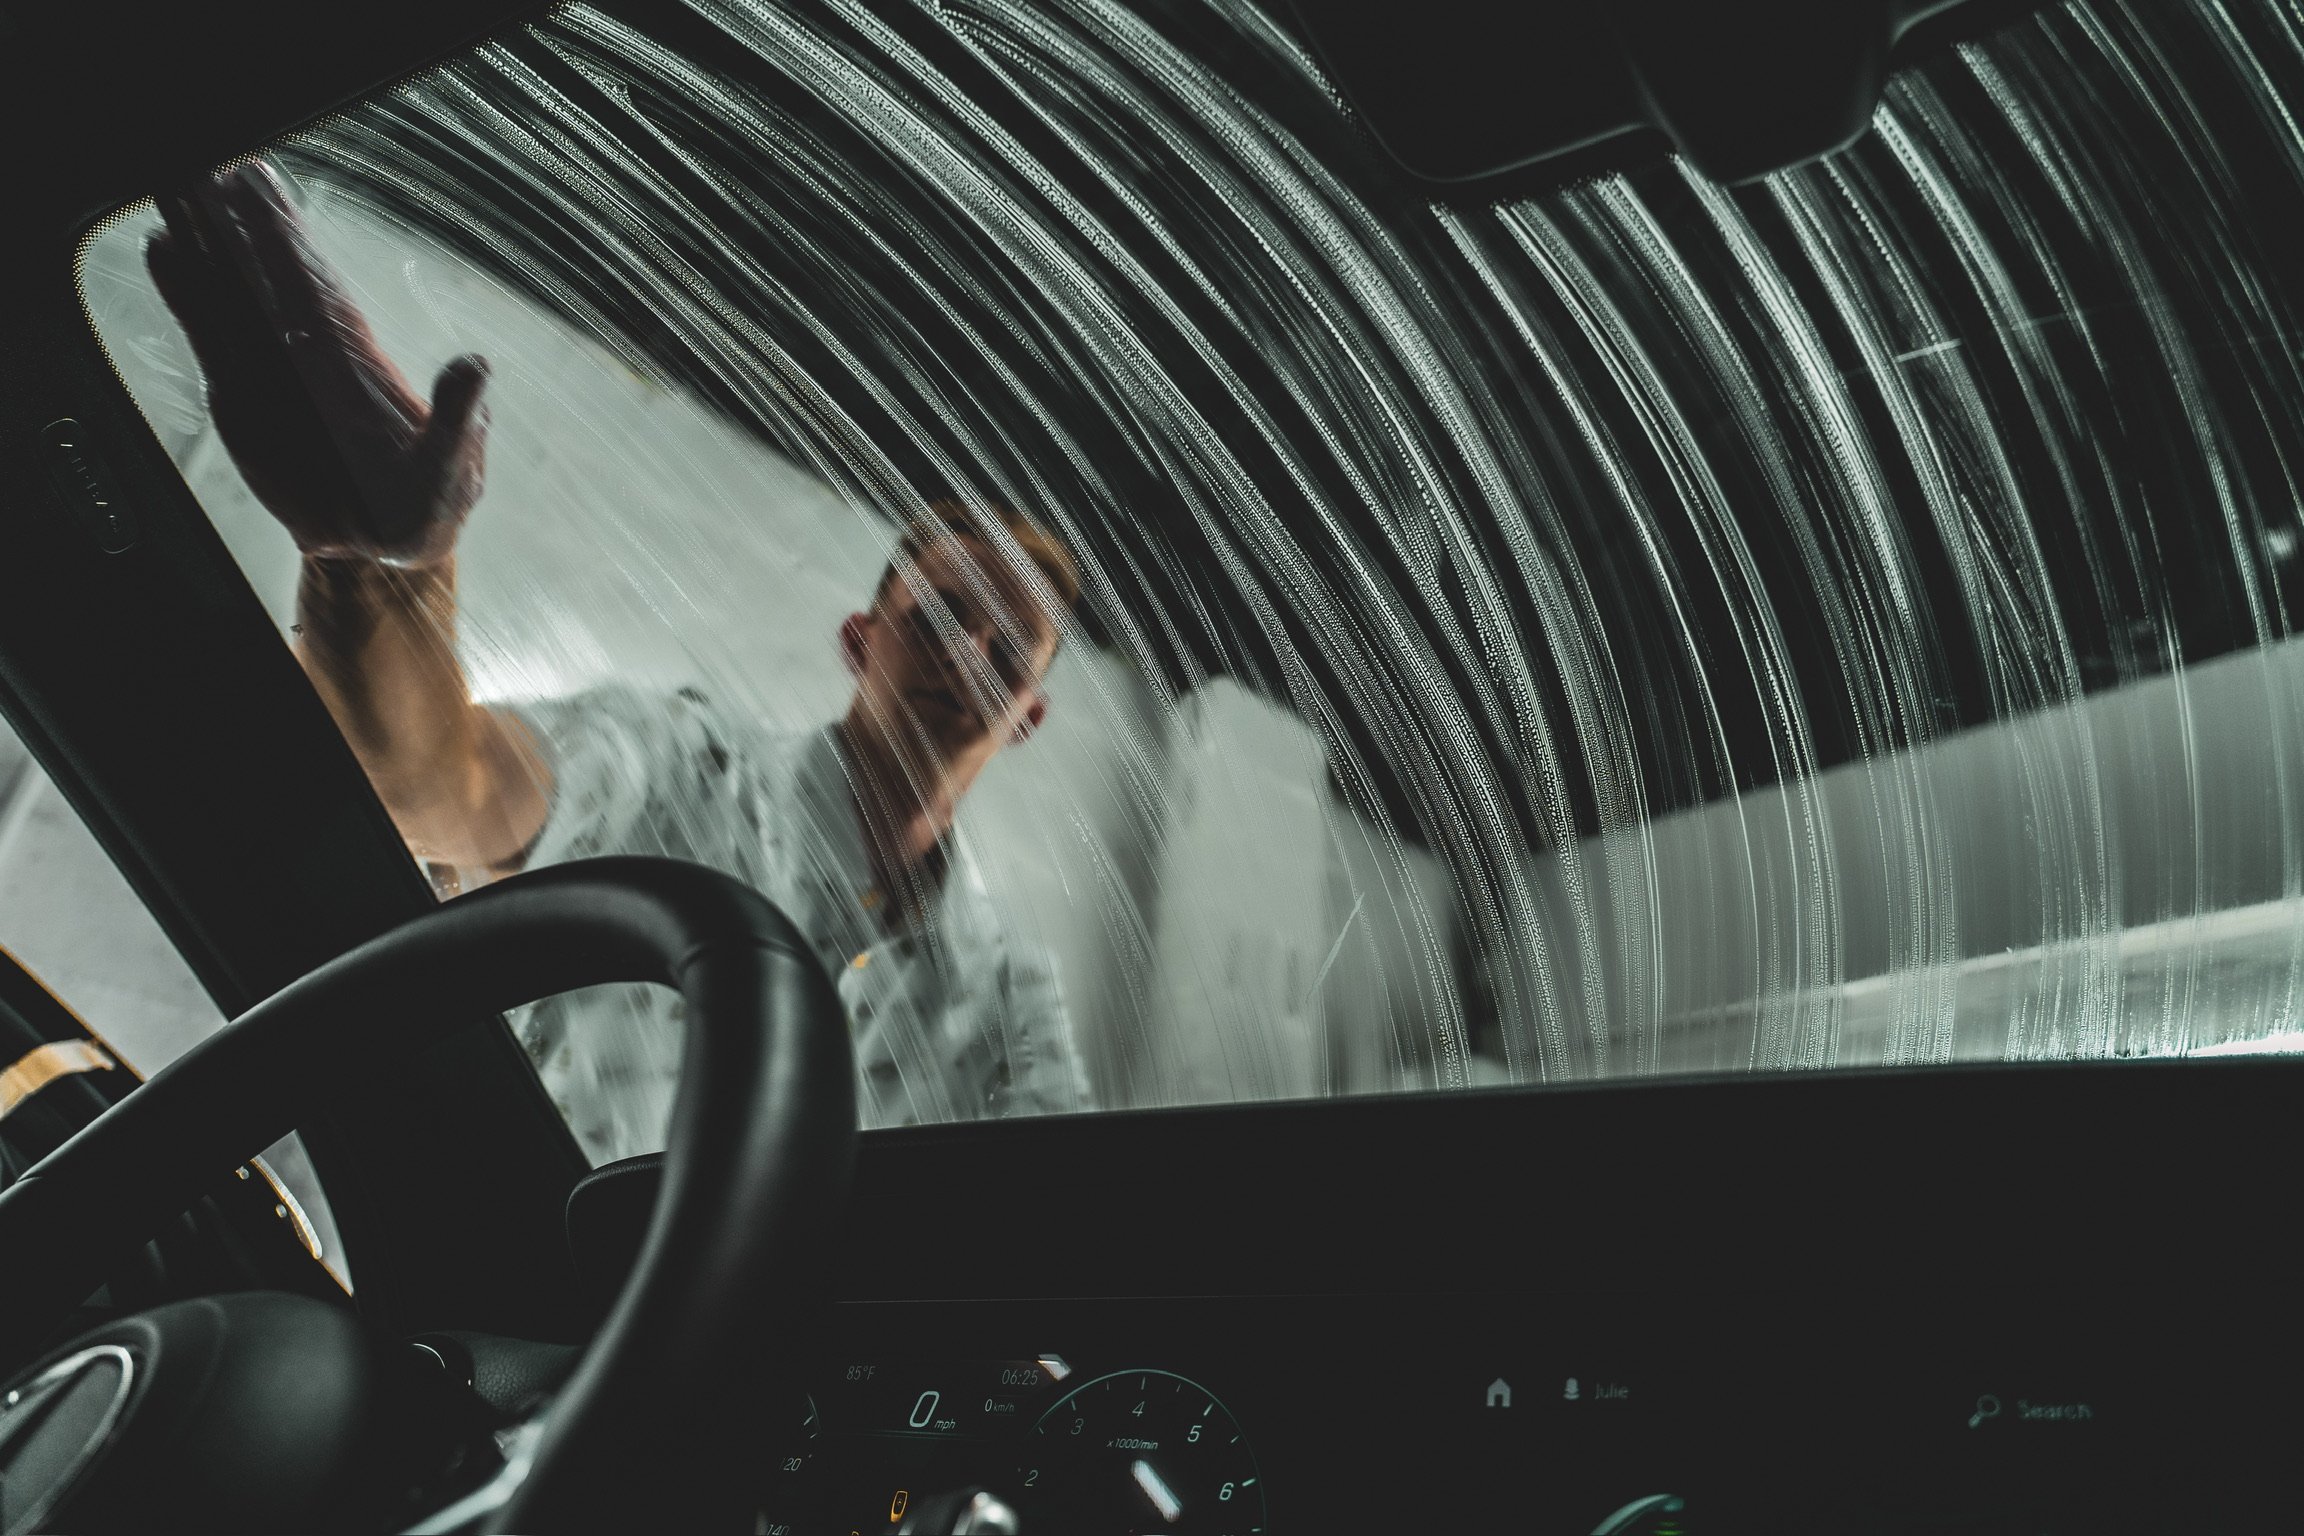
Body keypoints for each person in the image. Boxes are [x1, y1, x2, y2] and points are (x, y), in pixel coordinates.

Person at [147, 165, 1094, 1159]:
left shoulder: (1010, 991)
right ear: (863, 639)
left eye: (1008, 645)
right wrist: (379, 573)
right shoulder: (679, 762)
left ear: (1026, 713)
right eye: (943, 611)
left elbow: (1057, 1216)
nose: (970, 653)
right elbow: (442, 789)